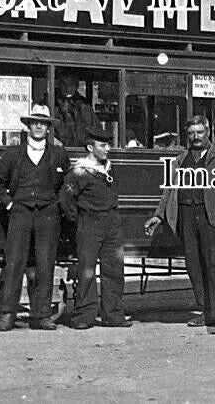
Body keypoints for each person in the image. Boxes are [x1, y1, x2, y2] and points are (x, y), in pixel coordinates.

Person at [144, 115, 215, 331]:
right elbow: (170, 190)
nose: (195, 137)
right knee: (194, 266)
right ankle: (207, 312)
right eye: (191, 133)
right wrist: (159, 215)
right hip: (188, 217)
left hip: (214, 217)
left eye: (199, 132)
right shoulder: (181, 160)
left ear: (208, 132)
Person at [0, 103, 71, 331]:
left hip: (48, 215)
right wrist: (10, 204)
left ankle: (41, 315)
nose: (38, 127)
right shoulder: (13, 154)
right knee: (14, 263)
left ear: (48, 127)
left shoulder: (59, 154)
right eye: (34, 123)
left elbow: (68, 185)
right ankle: (7, 314)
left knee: (45, 263)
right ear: (28, 126)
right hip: (20, 213)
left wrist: (57, 205)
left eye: (42, 123)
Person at [59, 126, 131, 329]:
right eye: (102, 145)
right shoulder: (79, 171)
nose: (107, 148)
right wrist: (80, 220)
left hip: (112, 224)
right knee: (86, 271)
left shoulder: (109, 167)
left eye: (108, 144)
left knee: (114, 271)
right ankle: (83, 317)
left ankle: (113, 316)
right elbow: (65, 199)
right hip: (89, 223)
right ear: (90, 147)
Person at [54, 75, 96, 151]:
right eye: (64, 85)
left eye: (70, 85)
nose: (67, 89)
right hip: (59, 152)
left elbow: (95, 130)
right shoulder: (52, 105)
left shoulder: (85, 106)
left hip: (82, 151)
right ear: (60, 86)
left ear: (76, 86)